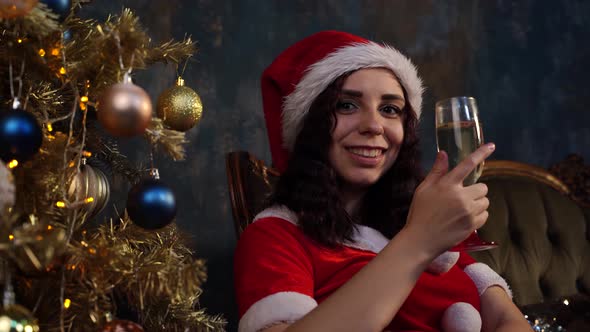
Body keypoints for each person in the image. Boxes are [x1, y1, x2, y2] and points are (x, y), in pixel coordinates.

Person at [234, 30, 530, 332]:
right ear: (309, 125)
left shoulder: (419, 222)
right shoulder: (275, 234)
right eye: (346, 105)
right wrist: (419, 240)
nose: (374, 126)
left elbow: (509, 320)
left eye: (390, 109)